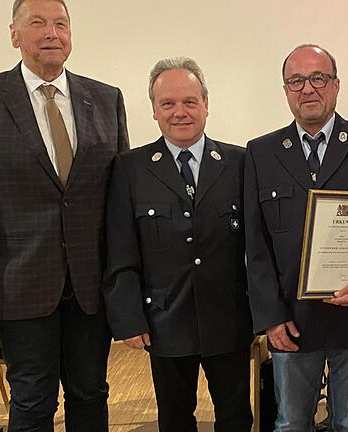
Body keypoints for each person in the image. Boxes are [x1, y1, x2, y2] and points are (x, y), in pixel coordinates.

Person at [0, 0, 129, 430]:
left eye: (60, 23)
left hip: (91, 287)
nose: (51, 33)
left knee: (91, 393)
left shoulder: (105, 98)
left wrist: (125, 281)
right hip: (20, 284)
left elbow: (121, 201)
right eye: (37, 23)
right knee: (31, 398)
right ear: (14, 34)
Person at [244, 44, 348, 431]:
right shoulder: (260, 152)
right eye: (296, 80)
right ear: (285, 90)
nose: (307, 89)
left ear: (335, 85)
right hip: (292, 321)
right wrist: (270, 318)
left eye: (318, 78)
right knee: (291, 423)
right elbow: (256, 244)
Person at [102, 57, 253, 431]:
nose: (180, 112)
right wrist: (129, 317)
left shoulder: (240, 163)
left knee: (235, 415)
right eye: (168, 104)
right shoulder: (130, 169)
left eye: (189, 101)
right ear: (154, 111)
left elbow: (259, 248)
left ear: (206, 104)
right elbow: (121, 249)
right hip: (165, 320)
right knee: (174, 417)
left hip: (228, 317)